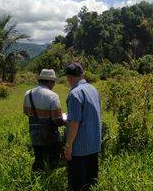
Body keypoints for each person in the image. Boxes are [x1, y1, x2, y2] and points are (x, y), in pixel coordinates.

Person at [64, 62, 102, 191]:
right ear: (82, 74)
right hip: (94, 145)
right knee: (91, 184)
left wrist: (68, 146)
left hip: (79, 148)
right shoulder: (93, 90)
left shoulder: (75, 94)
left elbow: (74, 123)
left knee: (77, 185)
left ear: (69, 77)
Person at [23, 69, 66, 173]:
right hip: (50, 137)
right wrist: (65, 119)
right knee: (52, 162)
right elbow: (57, 121)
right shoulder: (53, 96)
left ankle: (37, 179)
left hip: (34, 136)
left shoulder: (28, 94)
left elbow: (26, 112)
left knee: (39, 160)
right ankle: (49, 182)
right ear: (50, 82)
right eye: (54, 82)